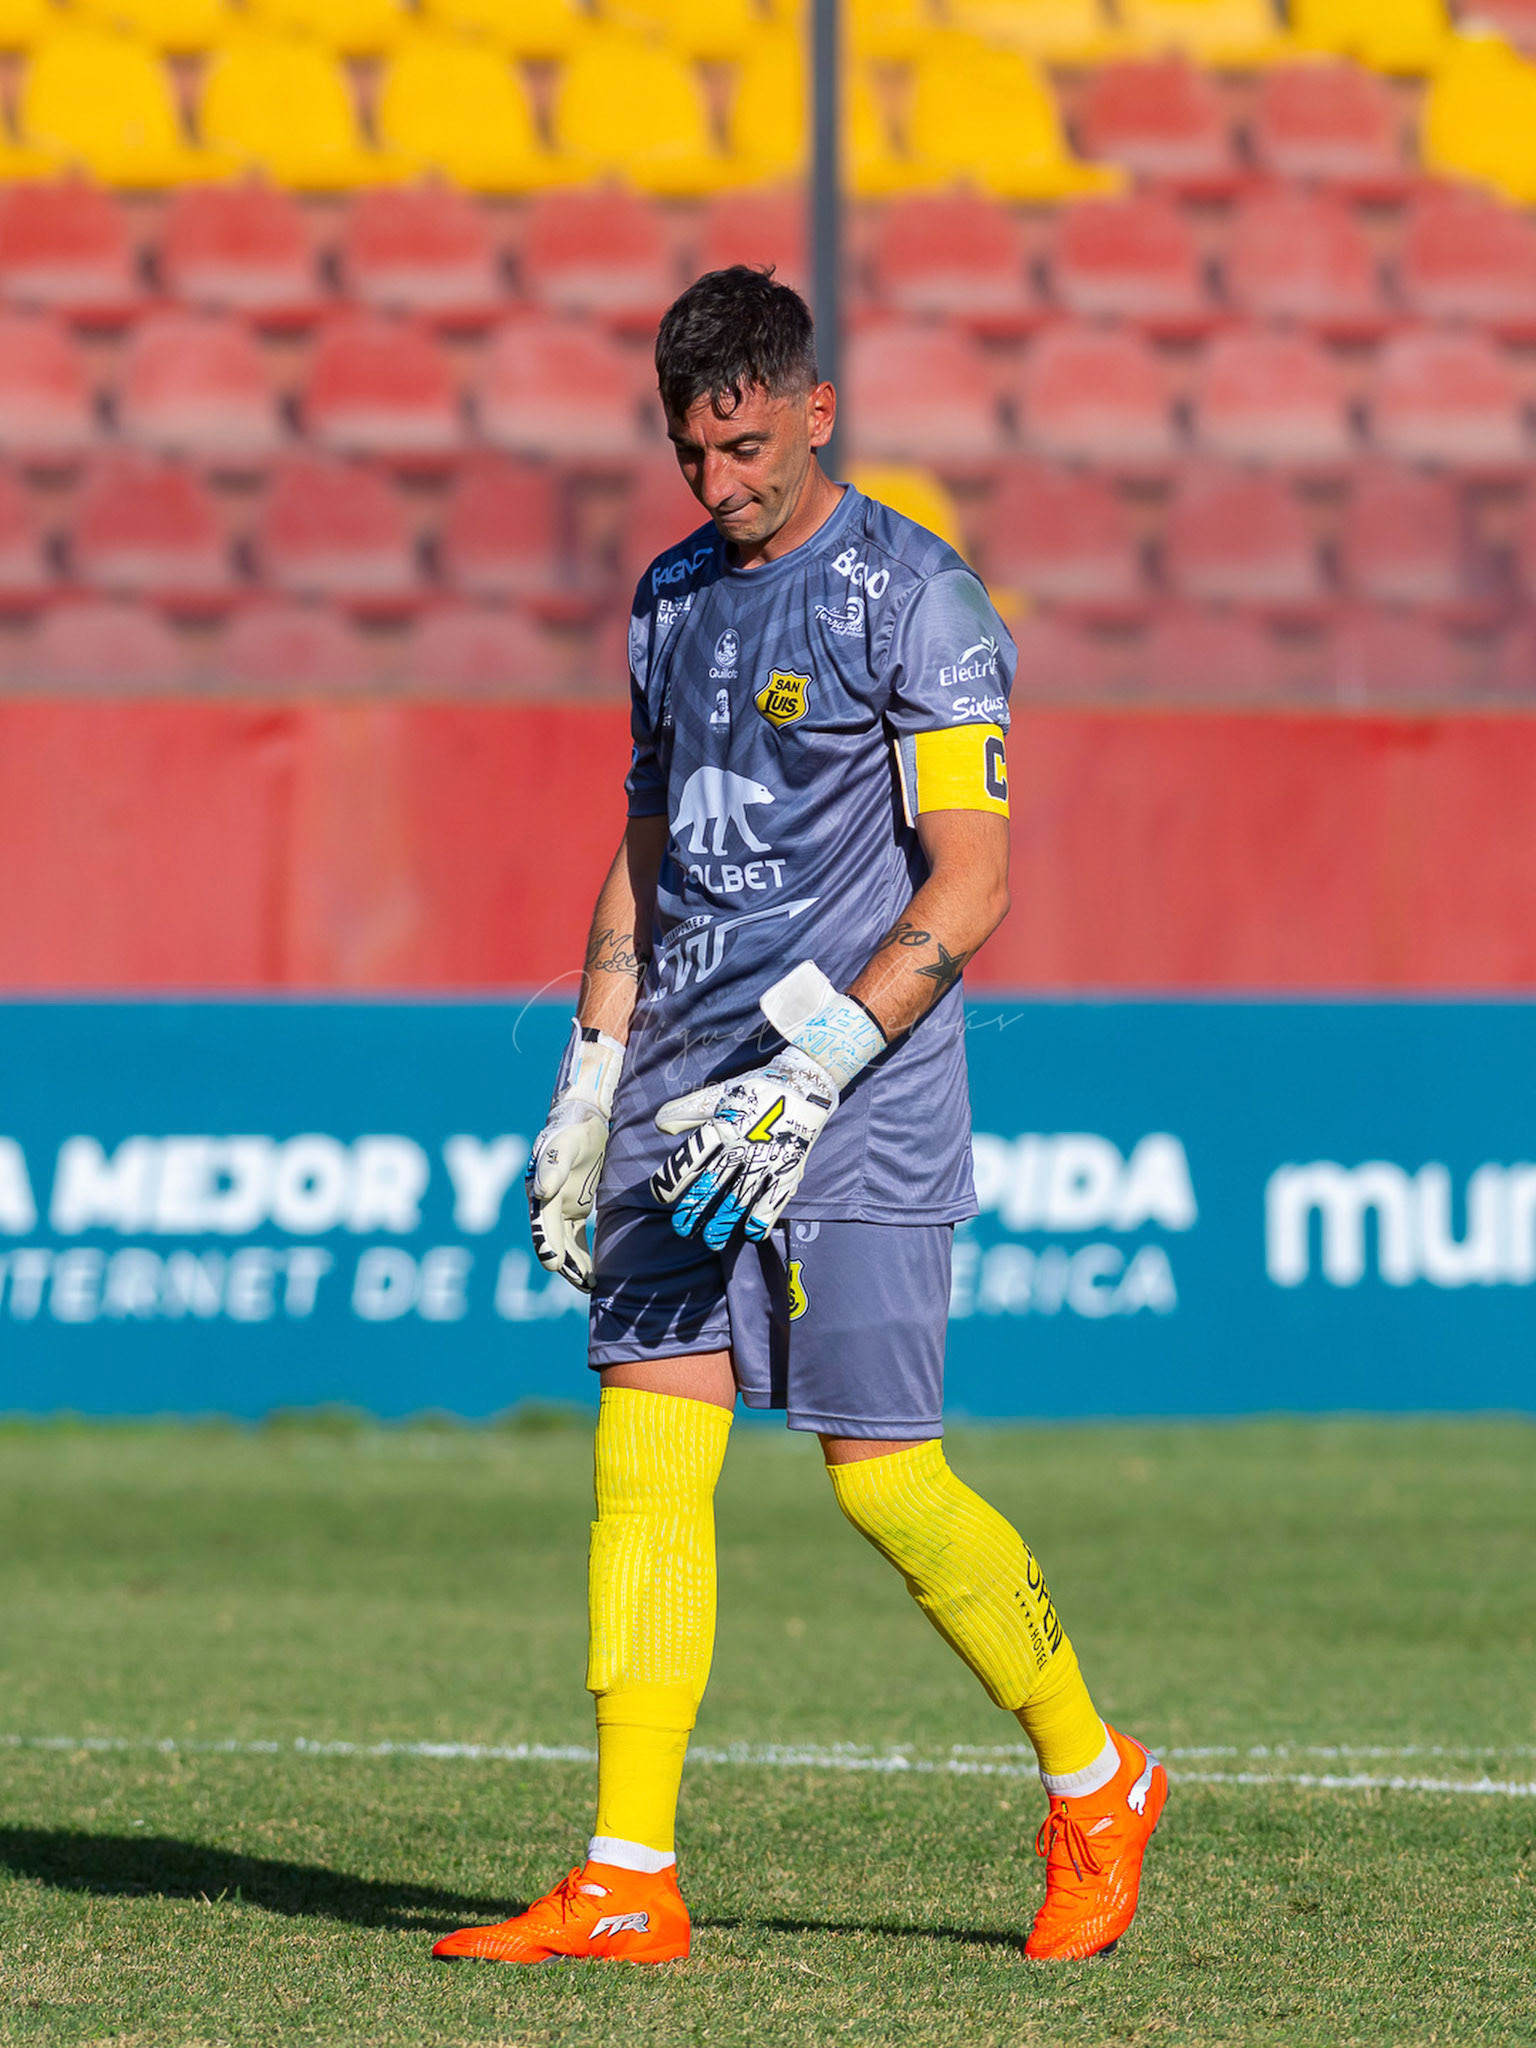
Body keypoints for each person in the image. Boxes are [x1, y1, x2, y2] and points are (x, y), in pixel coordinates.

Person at [433, 267, 1166, 1970]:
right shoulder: (669, 596)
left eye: (747, 445)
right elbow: (651, 835)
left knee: (884, 1481)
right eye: (693, 453)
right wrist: (596, 1066)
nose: (720, 482)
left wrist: (817, 1066)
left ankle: (1096, 1775)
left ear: (814, 409)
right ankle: (627, 1877)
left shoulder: (916, 598)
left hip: (862, 1099)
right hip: (687, 1098)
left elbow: (971, 883)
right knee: (645, 1461)